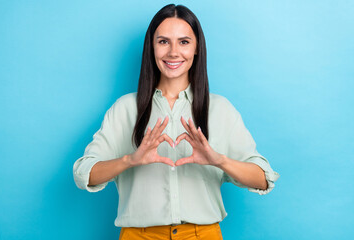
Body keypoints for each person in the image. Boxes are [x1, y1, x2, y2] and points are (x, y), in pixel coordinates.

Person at [73, 3, 280, 240]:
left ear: (197, 48)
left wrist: (218, 160)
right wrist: (131, 160)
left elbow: (264, 178)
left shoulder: (220, 109)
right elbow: (83, 174)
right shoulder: (125, 109)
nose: (173, 52)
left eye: (183, 41)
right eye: (163, 41)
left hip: (203, 234)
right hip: (138, 235)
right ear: (151, 47)